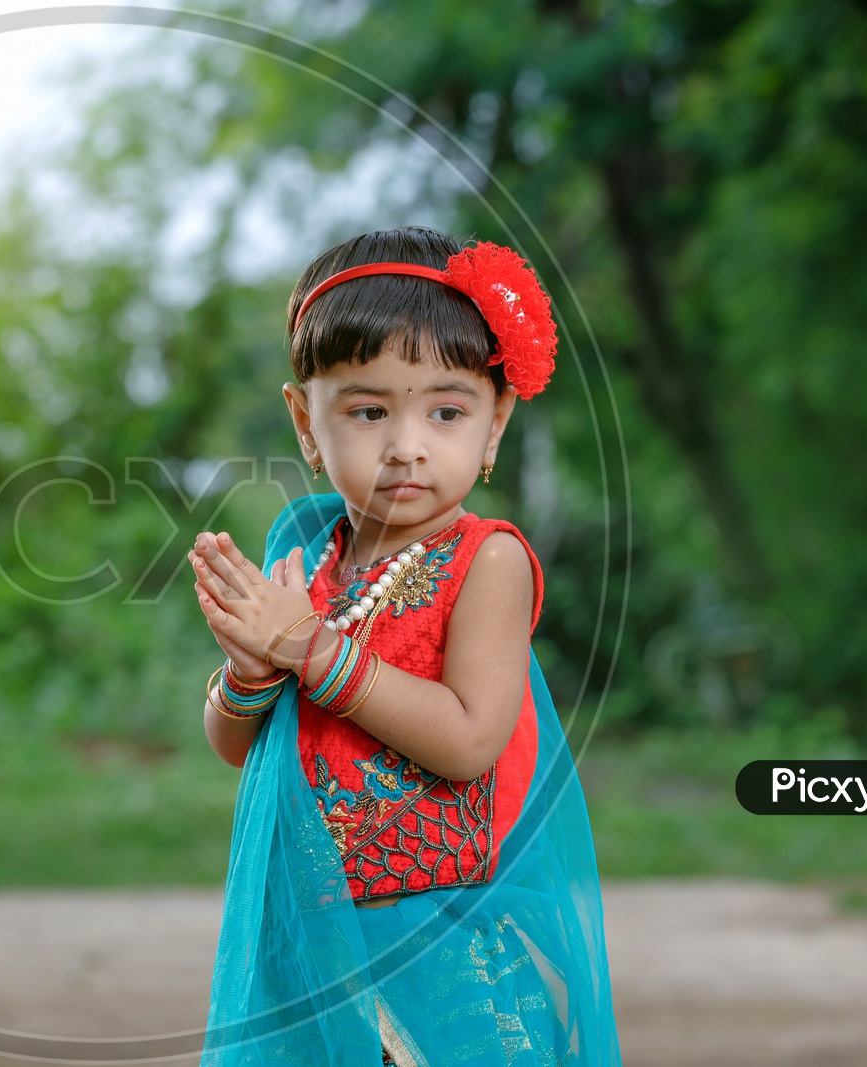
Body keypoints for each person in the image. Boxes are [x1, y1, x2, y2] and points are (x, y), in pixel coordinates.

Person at [186, 226, 621, 1065]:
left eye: (447, 410)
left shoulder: (486, 559)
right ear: (305, 420)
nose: (406, 444)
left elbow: (467, 741)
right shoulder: (307, 559)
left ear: (495, 423)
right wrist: (245, 673)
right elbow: (241, 747)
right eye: (368, 410)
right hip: (307, 943)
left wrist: (310, 651)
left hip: (432, 944)